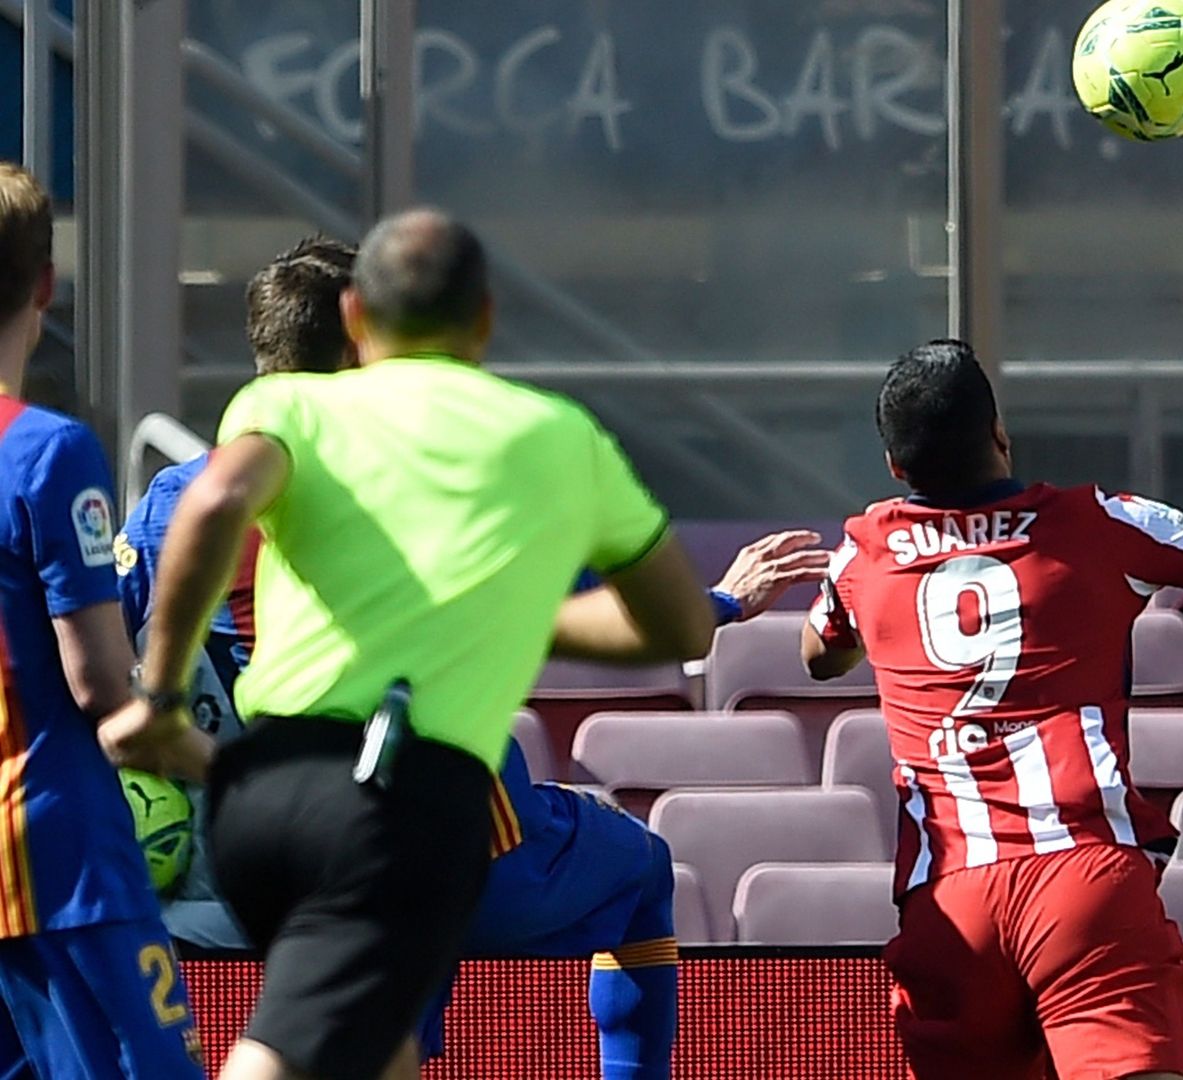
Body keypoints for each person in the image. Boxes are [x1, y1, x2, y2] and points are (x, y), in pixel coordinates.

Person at [113, 236, 832, 1077]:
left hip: (242, 829)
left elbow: (120, 621)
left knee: (334, 1026)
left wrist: (159, 704)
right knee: (639, 866)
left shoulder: (182, 491)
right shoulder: (470, 457)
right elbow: (644, 621)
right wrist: (714, 603)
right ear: (365, 334)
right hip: (417, 812)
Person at [800, 338, 1183, 1080]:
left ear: (897, 470)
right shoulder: (1098, 521)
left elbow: (819, 654)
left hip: (949, 905)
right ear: (1000, 436)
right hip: (1080, 883)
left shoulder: (862, 553)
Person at [0, 162, 205, 1076]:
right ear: (46, 285)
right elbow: (99, 687)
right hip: (62, 854)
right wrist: (224, 765)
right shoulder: (48, 451)